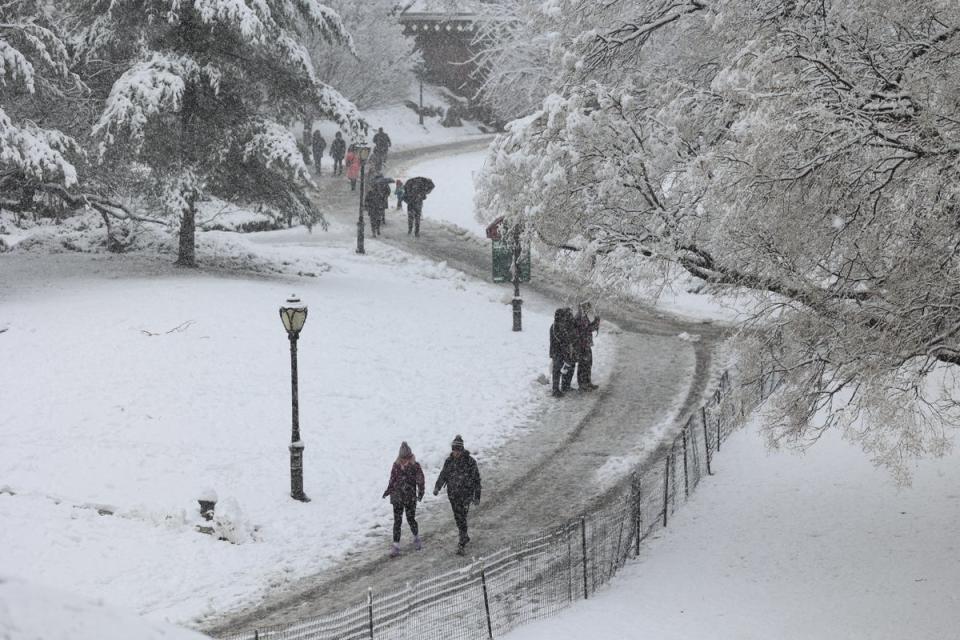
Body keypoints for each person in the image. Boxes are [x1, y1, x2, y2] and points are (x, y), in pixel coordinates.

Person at [433, 435, 481, 554]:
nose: (456, 453)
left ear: (462, 449)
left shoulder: (470, 462)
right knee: (457, 516)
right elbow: (443, 475)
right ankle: (464, 535)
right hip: (453, 494)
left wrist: (476, 496)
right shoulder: (449, 461)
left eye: (458, 450)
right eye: (454, 450)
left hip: (466, 494)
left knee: (462, 516)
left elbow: (476, 480)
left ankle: (462, 540)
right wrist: (437, 487)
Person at [382, 441, 425, 557]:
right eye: (402, 458)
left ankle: (416, 538)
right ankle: (396, 545)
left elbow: (420, 480)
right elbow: (392, 480)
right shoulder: (396, 465)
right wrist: (388, 491)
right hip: (397, 497)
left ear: (410, 457)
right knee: (397, 522)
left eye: (406, 458)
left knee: (411, 519)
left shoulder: (415, 466)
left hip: (410, 497)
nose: (404, 461)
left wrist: (421, 492)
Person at [549, 307, 576, 397]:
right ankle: (555, 390)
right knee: (557, 371)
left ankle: (563, 386)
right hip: (557, 351)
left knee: (565, 368)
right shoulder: (556, 326)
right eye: (563, 316)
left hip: (560, 351)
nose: (565, 318)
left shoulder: (560, 325)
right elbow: (562, 339)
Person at [573, 302, 601, 391]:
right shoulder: (579, 317)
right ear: (583, 307)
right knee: (583, 365)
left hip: (586, 344)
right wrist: (595, 322)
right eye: (587, 308)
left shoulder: (584, 316)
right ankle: (582, 385)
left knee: (588, 364)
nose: (589, 310)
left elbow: (588, 328)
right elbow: (586, 329)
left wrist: (596, 321)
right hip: (581, 345)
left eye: (589, 308)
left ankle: (588, 382)